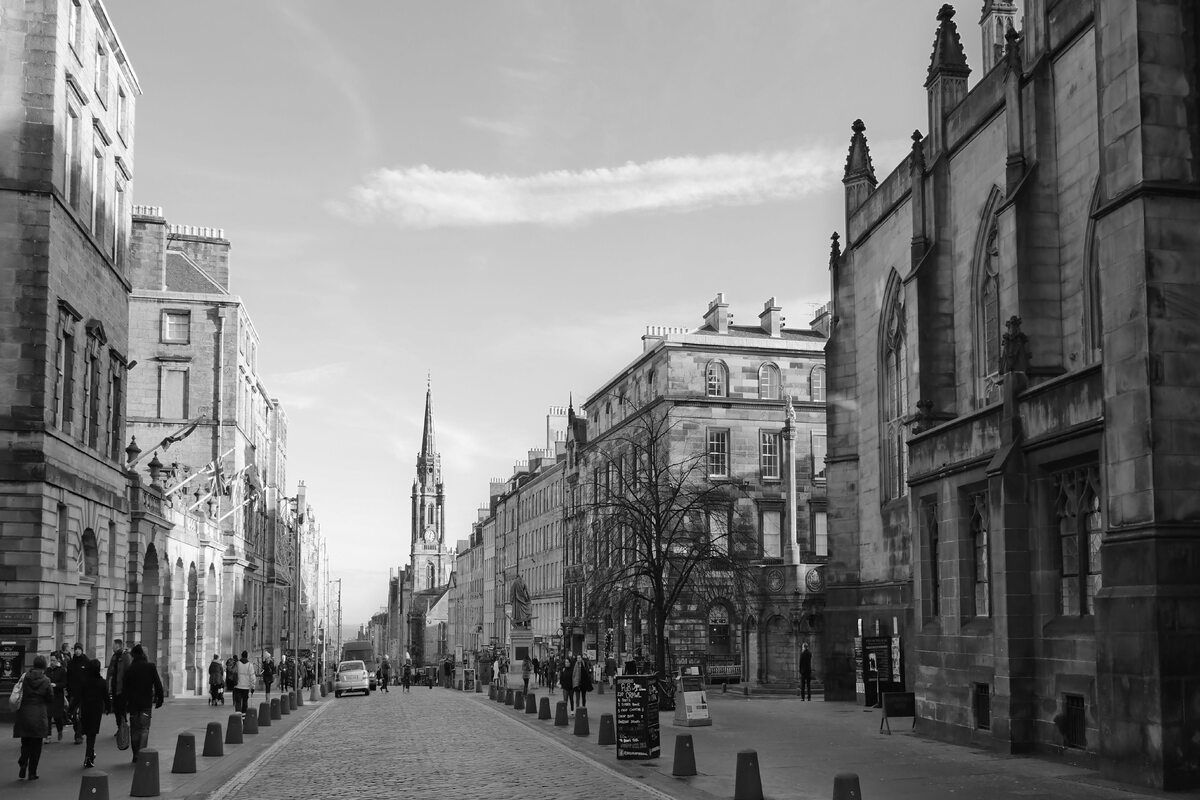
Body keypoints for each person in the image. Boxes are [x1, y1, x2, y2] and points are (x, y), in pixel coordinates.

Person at [12, 654, 53, 781]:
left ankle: (23, 761)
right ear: (44, 666)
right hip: (39, 715)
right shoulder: (46, 680)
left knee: (25, 741)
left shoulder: (25, 677)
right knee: (36, 745)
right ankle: (32, 772)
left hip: (24, 713)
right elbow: (50, 698)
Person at [122, 644, 164, 761]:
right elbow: (158, 684)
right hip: (146, 703)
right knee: (144, 728)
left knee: (134, 729)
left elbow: (125, 689)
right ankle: (142, 753)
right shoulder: (150, 667)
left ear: (133, 656)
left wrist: (123, 706)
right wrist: (160, 699)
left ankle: (136, 754)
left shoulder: (130, 669)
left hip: (133, 705)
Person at [77, 659, 110, 768]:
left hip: (86, 709)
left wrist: (72, 708)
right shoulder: (102, 682)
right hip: (96, 710)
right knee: (92, 734)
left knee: (88, 733)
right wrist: (108, 707)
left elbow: (78, 696)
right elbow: (106, 696)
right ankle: (88, 757)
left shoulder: (84, 681)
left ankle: (90, 754)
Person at [105, 638, 131, 734]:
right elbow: (110, 671)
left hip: (122, 688)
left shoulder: (125, 656)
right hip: (114, 686)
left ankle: (123, 727)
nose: (112, 647)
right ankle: (120, 726)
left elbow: (128, 672)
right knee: (116, 708)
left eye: (113, 645)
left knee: (121, 708)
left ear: (117, 645)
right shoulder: (114, 656)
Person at [66, 643, 88, 744]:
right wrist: (68, 690)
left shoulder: (86, 661)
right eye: (76, 649)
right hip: (74, 693)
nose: (77, 651)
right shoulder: (71, 663)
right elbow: (68, 677)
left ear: (82, 650)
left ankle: (79, 735)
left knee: (81, 715)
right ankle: (78, 731)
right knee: (73, 715)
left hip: (84, 693)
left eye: (79, 649)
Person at [45, 655, 67, 743]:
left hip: (58, 696)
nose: (52, 662)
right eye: (51, 660)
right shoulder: (47, 670)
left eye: (53, 660)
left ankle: (60, 730)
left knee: (57, 716)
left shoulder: (61, 670)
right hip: (49, 696)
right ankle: (48, 736)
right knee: (48, 716)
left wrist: (56, 685)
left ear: (57, 660)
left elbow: (64, 683)